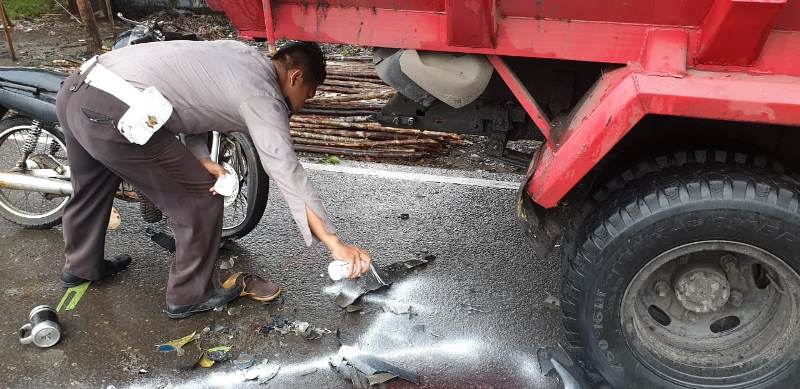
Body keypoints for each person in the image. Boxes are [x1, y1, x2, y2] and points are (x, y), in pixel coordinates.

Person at [55, 40, 372, 319]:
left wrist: (202, 157)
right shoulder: (262, 97)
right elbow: (286, 170)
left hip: (78, 89)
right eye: (308, 94)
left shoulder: (240, 53)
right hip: (114, 111)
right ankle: (190, 295)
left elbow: (192, 99)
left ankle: (81, 266)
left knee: (92, 186)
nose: (302, 105)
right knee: (201, 198)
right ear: (295, 76)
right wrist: (333, 242)